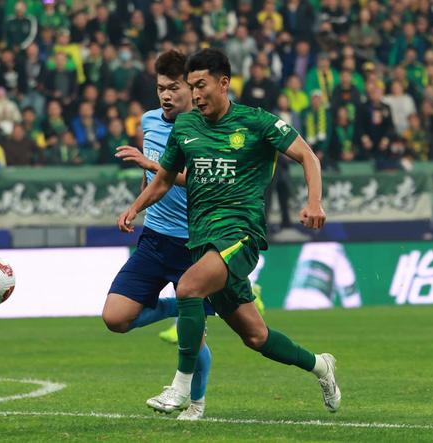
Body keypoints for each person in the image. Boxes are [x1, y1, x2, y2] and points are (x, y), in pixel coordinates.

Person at [117, 49, 340, 415]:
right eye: (191, 86)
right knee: (256, 336)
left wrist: (314, 202)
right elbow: (165, 179)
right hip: (202, 239)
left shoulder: (257, 122)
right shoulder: (186, 128)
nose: (196, 94)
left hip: (241, 234)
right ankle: (320, 366)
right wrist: (135, 208)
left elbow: (308, 156)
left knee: (188, 287)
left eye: (201, 85)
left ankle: (181, 388)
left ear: (224, 83)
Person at [103, 50, 213, 421]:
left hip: (192, 244)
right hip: (154, 238)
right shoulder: (150, 120)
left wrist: (151, 164)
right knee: (115, 318)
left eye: (173, 88)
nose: (166, 95)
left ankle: (196, 403)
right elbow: (151, 177)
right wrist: (137, 206)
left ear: (191, 89)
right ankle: (176, 307)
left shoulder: (204, 128)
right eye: (160, 88)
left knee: (193, 338)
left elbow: (200, 181)